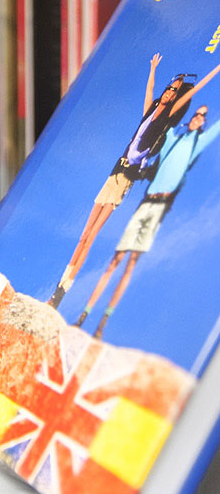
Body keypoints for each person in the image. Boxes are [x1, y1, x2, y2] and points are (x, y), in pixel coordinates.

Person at [48, 54, 220, 308]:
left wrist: (215, 70)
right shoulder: (150, 111)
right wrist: (152, 69)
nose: (170, 93)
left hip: (125, 180)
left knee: (91, 236)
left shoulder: (167, 116)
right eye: (169, 88)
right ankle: (59, 287)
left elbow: (197, 88)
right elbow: (150, 90)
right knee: (83, 234)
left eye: (175, 92)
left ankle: (62, 292)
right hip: (114, 173)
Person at [73, 103, 220, 339]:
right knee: (115, 260)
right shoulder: (173, 138)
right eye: (196, 114)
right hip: (147, 202)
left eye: (203, 116)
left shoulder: (197, 144)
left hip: (159, 207)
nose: (198, 118)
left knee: (131, 263)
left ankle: (102, 323)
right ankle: (84, 315)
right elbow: (168, 119)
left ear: (204, 123)